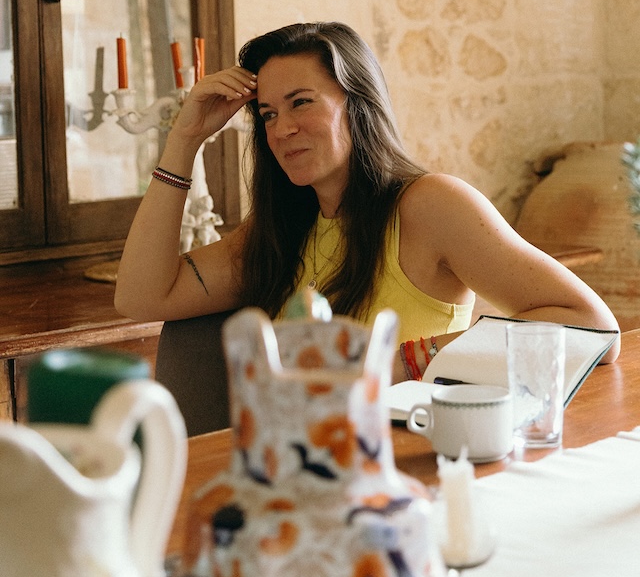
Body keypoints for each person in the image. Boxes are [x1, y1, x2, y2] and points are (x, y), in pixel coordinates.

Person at [115, 21, 620, 382]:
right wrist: (185, 140)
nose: (282, 129)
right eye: (267, 114)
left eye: (301, 102)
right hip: (294, 466)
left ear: (358, 104)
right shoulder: (279, 228)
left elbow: (593, 326)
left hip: (405, 461)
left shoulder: (431, 205)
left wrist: (399, 361)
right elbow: (139, 298)